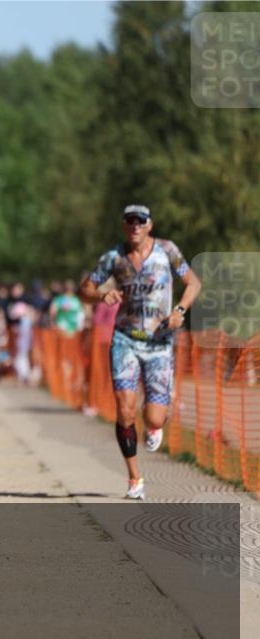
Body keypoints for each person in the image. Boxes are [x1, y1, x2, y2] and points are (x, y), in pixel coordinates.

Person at [80, 204, 201, 500]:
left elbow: (193, 283)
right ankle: (135, 478)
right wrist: (100, 295)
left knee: (155, 418)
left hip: (159, 342)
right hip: (125, 340)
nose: (135, 226)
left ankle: (154, 426)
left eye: (141, 221)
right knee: (124, 410)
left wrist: (180, 311)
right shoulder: (113, 258)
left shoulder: (167, 251)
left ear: (150, 225)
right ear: (124, 225)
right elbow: (84, 289)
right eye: (130, 221)